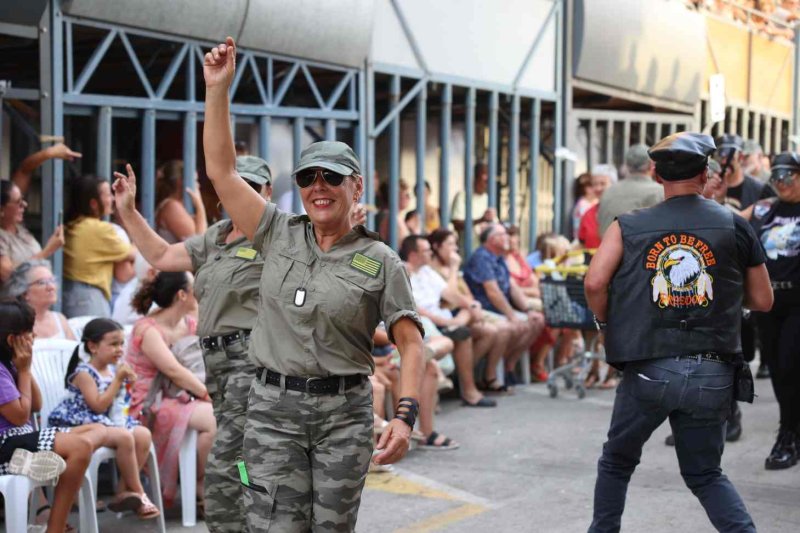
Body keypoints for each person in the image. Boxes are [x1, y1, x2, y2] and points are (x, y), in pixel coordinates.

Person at [203, 37, 424, 532]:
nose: (318, 186)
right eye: (307, 177)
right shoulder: (275, 232)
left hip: (343, 417)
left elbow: (411, 346)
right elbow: (220, 171)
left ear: (356, 186)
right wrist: (218, 90)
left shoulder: (380, 261)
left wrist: (404, 417)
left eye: (332, 177)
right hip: (271, 414)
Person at [584, 132, 773, 532]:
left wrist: (606, 323)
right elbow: (763, 300)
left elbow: (595, 283)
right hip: (713, 369)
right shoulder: (735, 225)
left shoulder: (628, 226)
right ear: (706, 174)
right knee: (705, 475)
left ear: (655, 174)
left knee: (617, 463)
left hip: (649, 367)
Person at [113, 154, 272, 532]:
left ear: (266, 192)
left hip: (251, 360)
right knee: (239, 460)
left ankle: (255, 518)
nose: (241, 193)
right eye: (234, 185)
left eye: (250, 187)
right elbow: (162, 255)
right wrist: (130, 213)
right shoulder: (216, 237)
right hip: (215, 362)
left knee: (233, 460)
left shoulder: (276, 237)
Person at [0, 299, 107, 533]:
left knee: (97, 430)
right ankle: (55, 528)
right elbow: (19, 416)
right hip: (5, 443)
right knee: (80, 448)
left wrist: (23, 368)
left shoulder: (9, 364)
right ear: (12, 340)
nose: (34, 336)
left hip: (22, 439)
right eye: (29, 332)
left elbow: (36, 404)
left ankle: (30, 463)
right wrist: (25, 371)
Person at [47, 318, 160, 519]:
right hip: (81, 423)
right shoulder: (84, 373)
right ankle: (141, 494)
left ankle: (124, 492)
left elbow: (118, 405)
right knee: (125, 437)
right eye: (113, 344)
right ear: (93, 346)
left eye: (121, 344)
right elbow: (97, 405)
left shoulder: (113, 370)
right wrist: (117, 381)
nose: (119, 349)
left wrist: (127, 385)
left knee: (142, 434)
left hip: (106, 421)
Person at [125, 271, 217, 509]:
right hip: (149, 401)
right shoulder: (148, 329)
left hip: (183, 394)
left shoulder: (189, 323)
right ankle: (200, 486)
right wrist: (208, 395)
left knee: (231, 414)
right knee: (216, 417)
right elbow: (174, 371)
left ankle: (209, 483)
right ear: (182, 295)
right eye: (195, 287)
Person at [743, 152, 800, 470]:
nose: (781, 182)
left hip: (798, 302)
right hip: (768, 302)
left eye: (788, 176)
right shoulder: (765, 208)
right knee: (778, 369)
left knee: (791, 364)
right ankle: (791, 427)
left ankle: (788, 434)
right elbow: (734, 222)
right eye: (775, 176)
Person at [401, 234, 497, 408]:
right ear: (413, 255)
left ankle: (456, 381)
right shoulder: (402, 272)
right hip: (427, 323)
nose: (430, 253)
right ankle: (469, 391)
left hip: (443, 319)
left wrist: (471, 305)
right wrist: (448, 323)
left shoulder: (427, 271)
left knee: (487, 331)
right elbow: (414, 309)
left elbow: (449, 294)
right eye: (426, 250)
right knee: (463, 334)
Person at [428, 228, 511, 400]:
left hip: (463, 313)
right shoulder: (432, 269)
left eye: (456, 244)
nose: (455, 249)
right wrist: (453, 268)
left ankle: (467, 376)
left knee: (497, 330)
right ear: (436, 246)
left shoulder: (451, 268)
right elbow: (448, 294)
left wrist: (473, 306)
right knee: (491, 331)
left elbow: (465, 294)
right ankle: (465, 378)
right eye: (450, 244)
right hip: (447, 315)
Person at [463, 223, 544, 387]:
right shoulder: (482, 257)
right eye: (503, 235)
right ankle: (490, 375)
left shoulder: (500, 258)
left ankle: (508, 366)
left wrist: (527, 310)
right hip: (486, 309)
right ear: (492, 239)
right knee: (511, 327)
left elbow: (512, 287)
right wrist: (512, 316)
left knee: (537, 321)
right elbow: (493, 292)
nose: (508, 238)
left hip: (499, 310)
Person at [62, 175, 136, 318]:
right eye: (108, 195)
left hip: (72, 294)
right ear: (94, 204)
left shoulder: (74, 224)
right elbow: (133, 254)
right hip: (90, 297)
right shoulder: (98, 229)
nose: (113, 199)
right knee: (100, 338)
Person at [0, 180, 64, 285]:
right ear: (1, 209)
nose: (24, 205)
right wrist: (47, 251)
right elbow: (8, 274)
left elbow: (24, 173)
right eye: (18, 203)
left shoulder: (20, 229)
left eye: (23, 200)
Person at [596, 144, 663, 238]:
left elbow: (600, 226)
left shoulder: (609, 191)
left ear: (627, 165)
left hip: (607, 249)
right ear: (651, 165)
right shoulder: (659, 192)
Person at [4, 260, 75, 340]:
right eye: (42, 282)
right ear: (24, 293)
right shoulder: (15, 324)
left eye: (52, 280)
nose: (51, 287)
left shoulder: (60, 320)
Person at [154, 160, 208, 243]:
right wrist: (199, 204)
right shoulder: (171, 207)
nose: (198, 185)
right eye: (195, 181)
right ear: (181, 182)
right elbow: (200, 246)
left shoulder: (176, 205)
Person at [451, 163, 497, 251]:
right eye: (484, 180)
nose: (486, 185)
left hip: (486, 250)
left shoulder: (487, 198)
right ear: (475, 178)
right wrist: (481, 220)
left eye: (488, 182)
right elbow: (457, 224)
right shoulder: (462, 196)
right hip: (468, 250)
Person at [377, 179, 412, 245]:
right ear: (395, 197)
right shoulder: (392, 218)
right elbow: (405, 248)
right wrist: (416, 231)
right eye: (406, 194)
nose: (409, 197)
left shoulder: (386, 215)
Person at [571, 172, 596, 240]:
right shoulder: (583, 205)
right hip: (583, 240)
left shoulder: (594, 201)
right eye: (592, 186)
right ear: (586, 189)